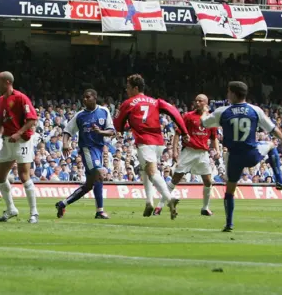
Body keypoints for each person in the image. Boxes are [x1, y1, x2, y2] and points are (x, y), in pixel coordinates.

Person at [201, 81, 282, 232]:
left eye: (229, 92)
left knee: (229, 190)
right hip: (252, 154)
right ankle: (280, 181)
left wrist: (205, 110)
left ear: (234, 94)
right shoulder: (255, 110)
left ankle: (229, 224)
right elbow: (273, 129)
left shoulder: (223, 111)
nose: (227, 95)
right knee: (270, 144)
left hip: (234, 157)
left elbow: (204, 123)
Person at [113, 74, 189, 220]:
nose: (126, 90)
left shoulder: (129, 103)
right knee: (144, 170)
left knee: (152, 172)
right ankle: (149, 202)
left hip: (144, 141)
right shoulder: (156, 101)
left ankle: (169, 198)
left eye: (128, 87)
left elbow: (118, 124)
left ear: (136, 88)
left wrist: (121, 130)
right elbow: (174, 112)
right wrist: (184, 131)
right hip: (159, 143)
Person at [155, 94, 220, 216]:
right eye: (196, 100)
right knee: (175, 179)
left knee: (208, 181)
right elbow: (177, 134)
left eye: (200, 101)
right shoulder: (188, 116)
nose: (197, 102)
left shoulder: (211, 119)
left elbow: (213, 137)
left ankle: (205, 208)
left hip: (203, 153)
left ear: (206, 103)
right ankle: (159, 206)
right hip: (188, 151)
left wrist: (217, 150)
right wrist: (175, 151)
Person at [56, 89, 114, 219]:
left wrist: (100, 132)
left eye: (88, 97)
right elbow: (67, 130)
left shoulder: (104, 112)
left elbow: (111, 131)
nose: (85, 99)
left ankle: (62, 204)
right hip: (87, 149)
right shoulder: (80, 115)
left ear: (95, 97)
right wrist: (65, 144)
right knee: (99, 174)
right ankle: (100, 211)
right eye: (84, 97)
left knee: (88, 185)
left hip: (98, 149)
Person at [0, 71, 39, 224]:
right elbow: (0, 121)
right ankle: (11, 209)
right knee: (0, 176)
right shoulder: (0, 100)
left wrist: (19, 133)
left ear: (7, 82)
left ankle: (34, 213)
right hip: (7, 141)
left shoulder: (21, 98)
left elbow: (32, 119)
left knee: (24, 176)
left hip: (22, 141)